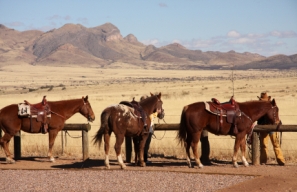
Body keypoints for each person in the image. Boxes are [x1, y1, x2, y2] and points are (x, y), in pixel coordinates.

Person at [258, 92, 285, 166]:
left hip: (271, 127)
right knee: (264, 145)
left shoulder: (272, 106)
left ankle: (281, 160)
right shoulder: (260, 108)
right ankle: (263, 161)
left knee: (275, 144)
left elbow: (275, 116)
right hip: (263, 128)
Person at [140, 95, 156, 163]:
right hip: (148, 129)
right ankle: (144, 159)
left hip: (146, 129)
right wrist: (157, 113)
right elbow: (150, 116)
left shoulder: (140, 109)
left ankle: (140, 158)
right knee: (145, 144)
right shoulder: (147, 110)